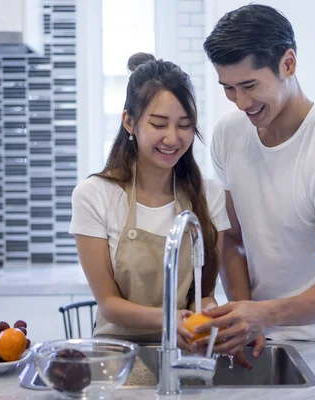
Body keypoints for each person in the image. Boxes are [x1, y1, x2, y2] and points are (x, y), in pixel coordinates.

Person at [193, 4, 315, 364]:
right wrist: (247, 317)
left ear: (288, 64)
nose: (241, 103)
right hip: (257, 339)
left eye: (249, 85)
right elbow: (232, 238)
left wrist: (264, 315)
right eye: (228, 88)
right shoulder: (228, 135)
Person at [69, 53, 231, 349]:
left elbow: (204, 294)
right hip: (116, 356)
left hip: (184, 350)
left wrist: (208, 317)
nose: (173, 138)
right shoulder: (94, 196)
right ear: (129, 122)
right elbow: (109, 304)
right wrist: (172, 319)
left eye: (184, 125)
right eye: (159, 124)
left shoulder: (209, 195)